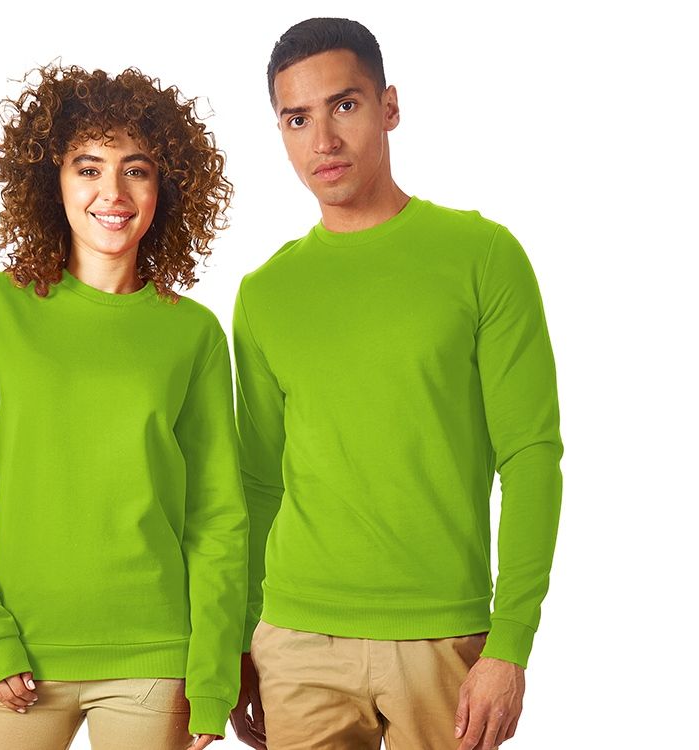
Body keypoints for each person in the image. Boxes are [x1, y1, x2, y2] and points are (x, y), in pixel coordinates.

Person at [229, 18, 563, 750]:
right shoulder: (264, 293)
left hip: (443, 635)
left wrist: (511, 642)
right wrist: (243, 638)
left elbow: (531, 455)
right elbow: (257, 482)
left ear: (389, 107)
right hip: (296, 639)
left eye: (344, 106)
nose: (323, 140)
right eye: (297, 119)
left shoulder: (482, 257)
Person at [0, 63, 248, 750]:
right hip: (21, 656)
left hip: (154, 657)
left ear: (165, 187)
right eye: (88, 168)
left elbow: (218, 518)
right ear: (53, 181)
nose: (113, 193)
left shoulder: (191, 332)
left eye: (137, 170)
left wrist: (213, 677)